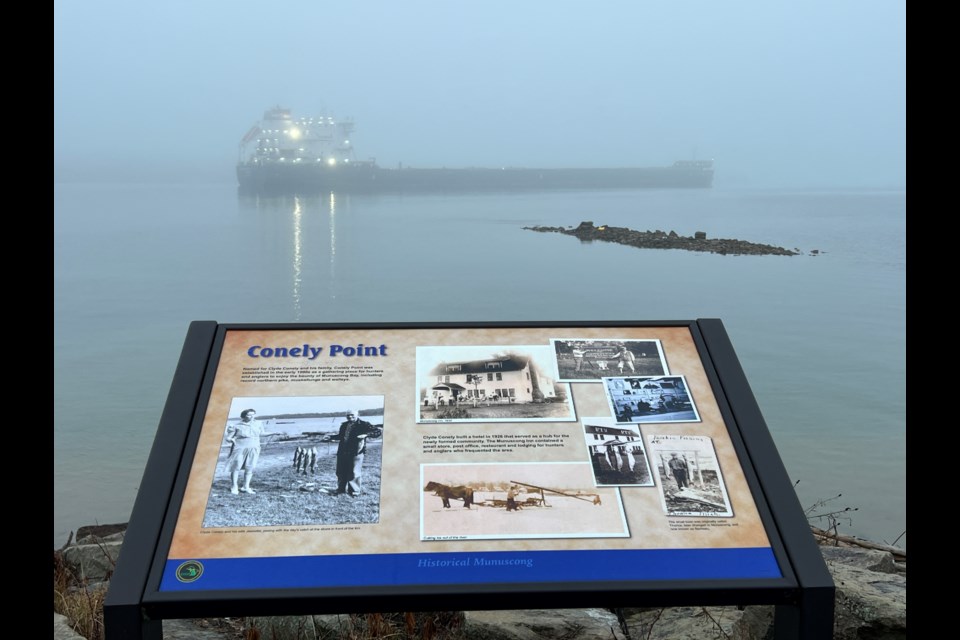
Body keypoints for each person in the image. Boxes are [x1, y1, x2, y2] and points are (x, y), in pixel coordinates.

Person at [333, 410, 380, 496]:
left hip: (356, 452)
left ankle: (354, 491)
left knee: (354, 472)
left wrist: (366, 435)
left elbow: (378, 432)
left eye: (352, 415)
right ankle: (341, 489)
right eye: (348, 416)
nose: (350, 417)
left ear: (358, 415)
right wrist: (331, 437)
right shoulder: (344, 425)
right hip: (342, 451)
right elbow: (340, 436)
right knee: (340, 471)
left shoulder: (364, 424)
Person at [225, 408, 268, 495]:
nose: (252, 417)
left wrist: (276, 433)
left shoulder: (258, 424)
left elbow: (262, 434)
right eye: (249, 415)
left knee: (250, 467)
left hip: (254, 447)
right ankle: (234, 486)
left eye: (253, 414)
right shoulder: (236, 425)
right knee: (236, 467)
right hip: (240, 448)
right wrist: (231, 440)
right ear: (244, 416)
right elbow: (228, 438)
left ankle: (246, 487)